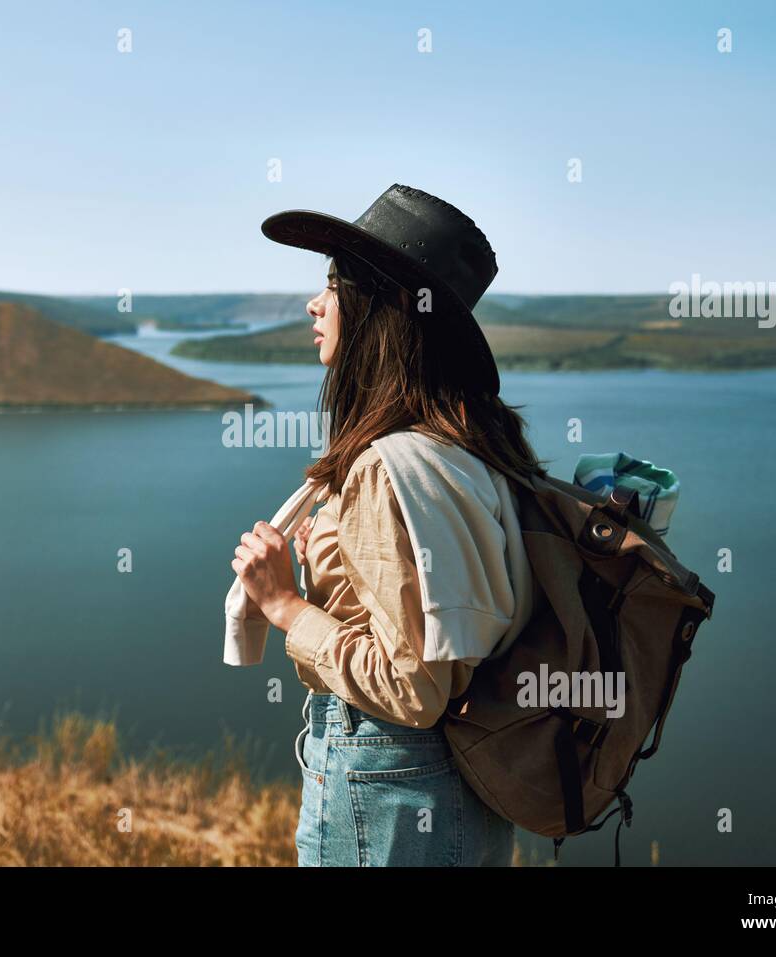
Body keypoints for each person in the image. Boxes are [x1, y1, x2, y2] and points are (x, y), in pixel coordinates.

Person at [230, 184, 544, 866]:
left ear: (378, 308)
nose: (315, 304)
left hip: (390, 785)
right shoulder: (468, 444)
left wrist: (284, 604)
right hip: (467, 783)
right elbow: (445, 621)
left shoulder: (385, 465)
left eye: (333, 285)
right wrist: (335, 573)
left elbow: (413, 687)